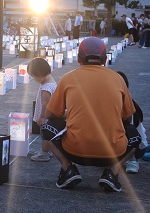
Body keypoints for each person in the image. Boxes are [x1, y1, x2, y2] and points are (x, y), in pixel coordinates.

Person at [42, 37, 143, 192]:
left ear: (78, 58)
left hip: (75, 150)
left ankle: (67, 168)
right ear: (104, 58)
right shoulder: (117, 78)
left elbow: (50, 114)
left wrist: (69, 114)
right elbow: (128, 118)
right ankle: (112, 172)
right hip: (113, 152)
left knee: (47, 127)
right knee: (134, 134)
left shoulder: (68, 78)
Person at [27, 58, 57, 162]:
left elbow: (46, 104)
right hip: (52, 116)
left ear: (39, 74)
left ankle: (44, 153)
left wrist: (42, 117)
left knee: (45, 135)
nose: (34, 80)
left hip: (46, 117)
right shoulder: (53, 82)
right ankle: (49, 151)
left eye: (34, 77)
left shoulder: (46, 88)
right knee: (49, 135)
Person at [116, 71, 147, 173]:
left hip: (135, 145)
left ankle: (132, 161)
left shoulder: (129, 106)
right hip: (119, 141)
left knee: (129, 128)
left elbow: (131, 129)